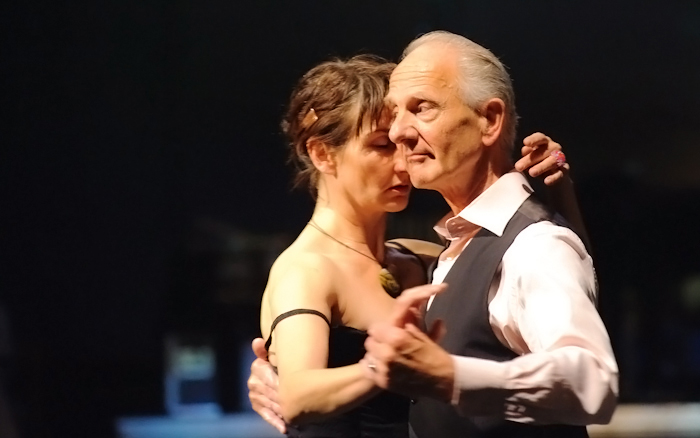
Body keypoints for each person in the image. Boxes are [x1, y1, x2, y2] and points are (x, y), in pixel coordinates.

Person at [251, 48, 586, 437]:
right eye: (381, 146)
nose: (402, 162)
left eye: (401, 142)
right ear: (322, 153)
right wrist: (387, 364)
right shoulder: (306, 269)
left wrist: (558, 188)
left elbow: (567, 275)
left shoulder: (420, 256)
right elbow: (297, 398)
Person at [358, 31, 618, 438]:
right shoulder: (455, 247)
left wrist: (452, 376)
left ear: (490, 120)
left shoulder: (535, 246)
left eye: (422, 108)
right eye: (395, 113)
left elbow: (593, 379)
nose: (398, 133)